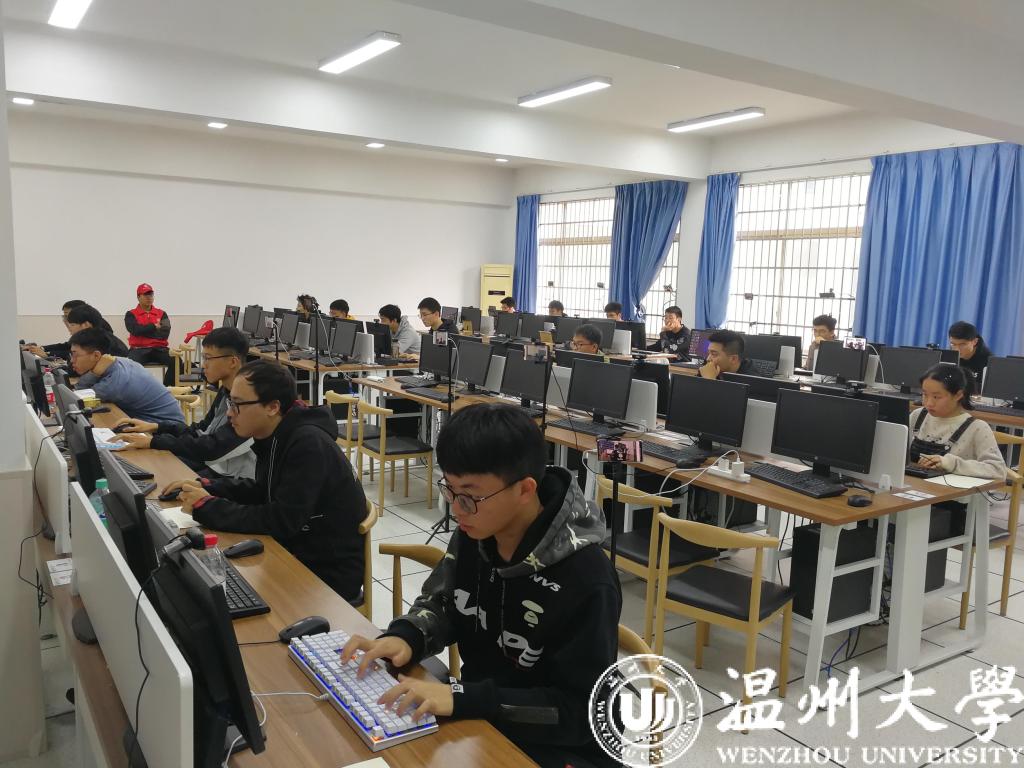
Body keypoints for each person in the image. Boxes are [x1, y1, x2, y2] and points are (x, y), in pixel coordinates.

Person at [340, 404, 621, 768]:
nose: (457, 510)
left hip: (559, 749)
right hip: (484, 724)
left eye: (470, 496)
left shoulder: (587, 577)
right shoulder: (477, 533)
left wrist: (463, 698)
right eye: (450, 490)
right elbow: (446, 602)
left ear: (525, 490)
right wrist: (407, 636)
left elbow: (580, 712)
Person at [168, 360, 368, 602]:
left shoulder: (307, 444)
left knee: (212, 595)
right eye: (230, 402)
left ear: (273, 407)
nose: (230, 412)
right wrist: (210, 487)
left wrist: (208, 507)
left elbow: (281, 520)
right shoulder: (274, 434)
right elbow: (265, 490)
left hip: (326, 571)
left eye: (238, 404)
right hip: (296, 546)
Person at [111, 327, 256, 479]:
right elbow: (201, 430)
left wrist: (154, 441)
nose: (203, 365)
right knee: (146, 465)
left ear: (233, 362)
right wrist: (156, 427)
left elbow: (213, 447)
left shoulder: (249, 402)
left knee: (159, 475)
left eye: (208, 358)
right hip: (213, 464)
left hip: (232, 476)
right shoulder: (226, 390)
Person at [910, 364, 1005, 479]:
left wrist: (952, 464)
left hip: (953, 490)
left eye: (936, 397)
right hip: (918, 486)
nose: (928, 403)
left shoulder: (977, 428)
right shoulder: (918, 416)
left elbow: (998, 471)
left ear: (958, 395)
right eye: (925, 395)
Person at [70, 328, 184, 424]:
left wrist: (93, 374)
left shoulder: (116, 381)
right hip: (153, 422)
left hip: (166, 430)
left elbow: (78, 397)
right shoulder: (117, 361)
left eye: (75, 355)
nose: (72, 361)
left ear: (96, 355)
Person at [24, 299, 115, 360]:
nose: (66, 320)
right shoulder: (88, 328)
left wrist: (48, 354)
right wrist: (41, 349)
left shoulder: (99, 333)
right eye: (64, 316)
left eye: (67, 316)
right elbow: (68, 346)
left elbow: (75, 353)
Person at [125, 283, 176, 385]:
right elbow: (135, 330)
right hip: (138, 350)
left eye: (151, 294)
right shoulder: (131, 314)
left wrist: (143, 331)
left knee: (177, 362)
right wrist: (153, 326)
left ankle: (166, 389)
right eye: (145, 295)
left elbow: (165, 333)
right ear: (138, 297)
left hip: (159, 349)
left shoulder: (162, 313)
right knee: (131, 366)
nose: (149, 297)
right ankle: (140, 392)